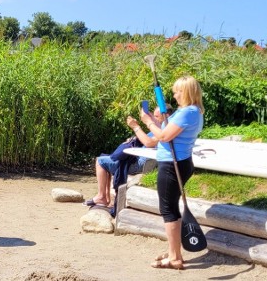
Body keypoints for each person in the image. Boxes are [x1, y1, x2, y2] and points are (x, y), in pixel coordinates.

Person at [139, 76, 204, 270]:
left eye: (178, 91)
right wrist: (157, 122)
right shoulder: (190, 111)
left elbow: (164, 137)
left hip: (173, 165)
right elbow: (168, 132)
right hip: (175, 162)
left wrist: (148, 122)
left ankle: (175, 257)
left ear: (187, 92)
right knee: (171, 207)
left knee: (168, 209)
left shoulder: (189, 112)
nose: (175, 95)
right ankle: (173, 249)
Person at [87, 105, 166, 209]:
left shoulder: (163, 132)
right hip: (137, 159)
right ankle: (104, 197)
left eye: (156, 116)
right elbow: (144, 140)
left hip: (140, 164)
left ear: (165, 116)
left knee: (100, 161)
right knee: (108, 158)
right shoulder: (157, 130)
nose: (152, 119)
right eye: (152, 116)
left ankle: (102, 196)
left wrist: (135, 127)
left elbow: (148, 142)